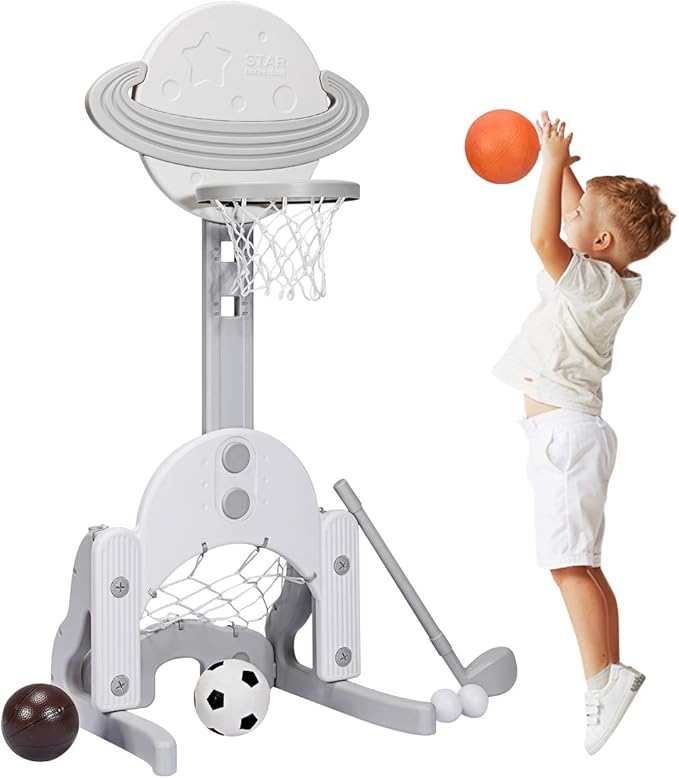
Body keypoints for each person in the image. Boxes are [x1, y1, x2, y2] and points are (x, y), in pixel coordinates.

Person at [492, 111, 674, 754]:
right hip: (570, 435)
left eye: (580, 215)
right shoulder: (611, 276)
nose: (570, 214)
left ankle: (600, 680)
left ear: (597, 241)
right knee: (583, 566)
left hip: (566, 438)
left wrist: (548, 168)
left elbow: (544, 236)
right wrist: (565, 169)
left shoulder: (591, 279)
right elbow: (583, 219)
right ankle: (611, 671)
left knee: (569, 566)